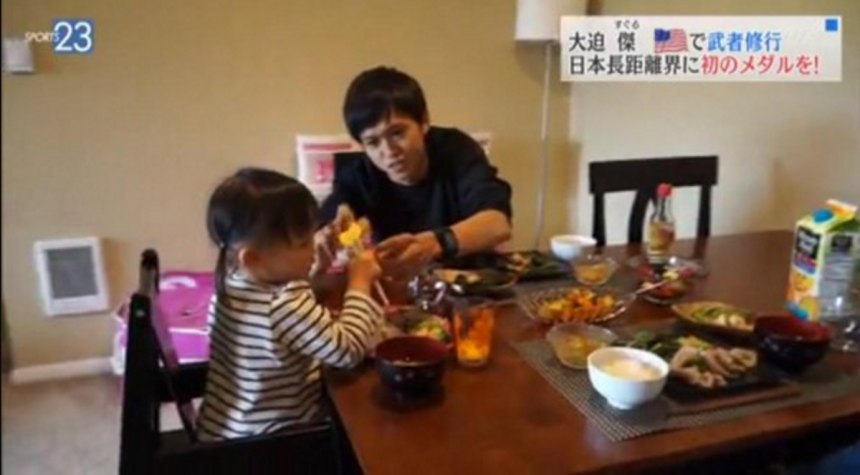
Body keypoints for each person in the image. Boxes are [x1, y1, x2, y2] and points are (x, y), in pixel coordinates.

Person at [197, 167, 383, 441]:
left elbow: (286, 326)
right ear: (253, 258)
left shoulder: (231, 283)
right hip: (275, 440)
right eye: (303, 243)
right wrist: (359, 283)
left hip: (226, 429)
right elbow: (348, 351)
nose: (314, 246)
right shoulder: (284, 304)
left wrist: (315, 273)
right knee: (368, 422)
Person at [320, 66, 514, 277]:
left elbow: (498, 224)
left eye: (397, 133)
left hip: (468, 280)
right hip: (397, 284)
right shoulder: (357, 173)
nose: (389, 151)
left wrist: (433, 244)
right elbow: (335, 219)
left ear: (424, 121)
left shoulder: (456, 150)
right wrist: (336, 232)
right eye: (373, 142)